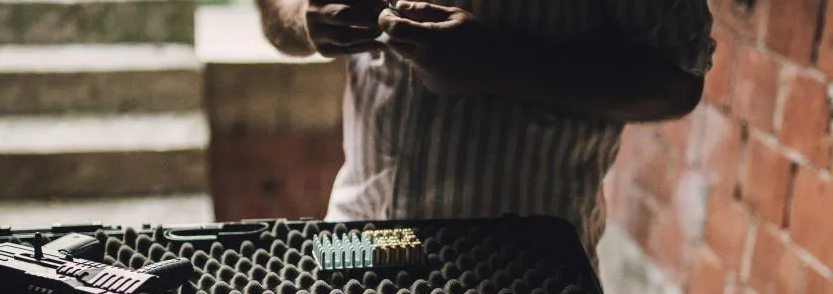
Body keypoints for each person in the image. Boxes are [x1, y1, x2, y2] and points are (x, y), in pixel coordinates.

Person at [254, 0, 714, 269]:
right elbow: (278, 14)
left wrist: (499, 64)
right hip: (359, 238)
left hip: (525, 274)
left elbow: (676, 83)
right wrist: (302, 18)